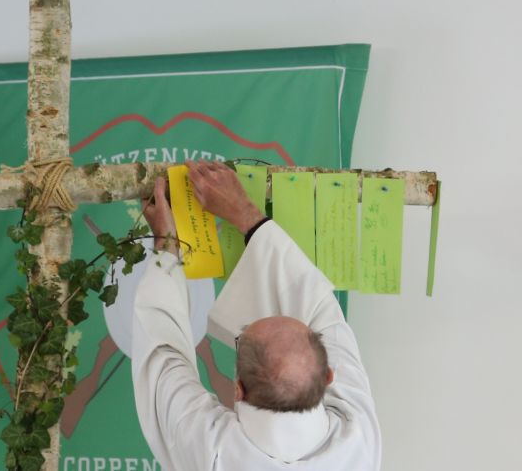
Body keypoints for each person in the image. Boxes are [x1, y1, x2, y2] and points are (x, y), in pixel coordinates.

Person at [133, 160, 381, 470]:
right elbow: (319, 306)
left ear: (237, 389)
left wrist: (166, 242)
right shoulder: (358, 440)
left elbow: (161, 353)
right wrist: (245, 216)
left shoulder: (213, 451)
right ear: (330, 374)